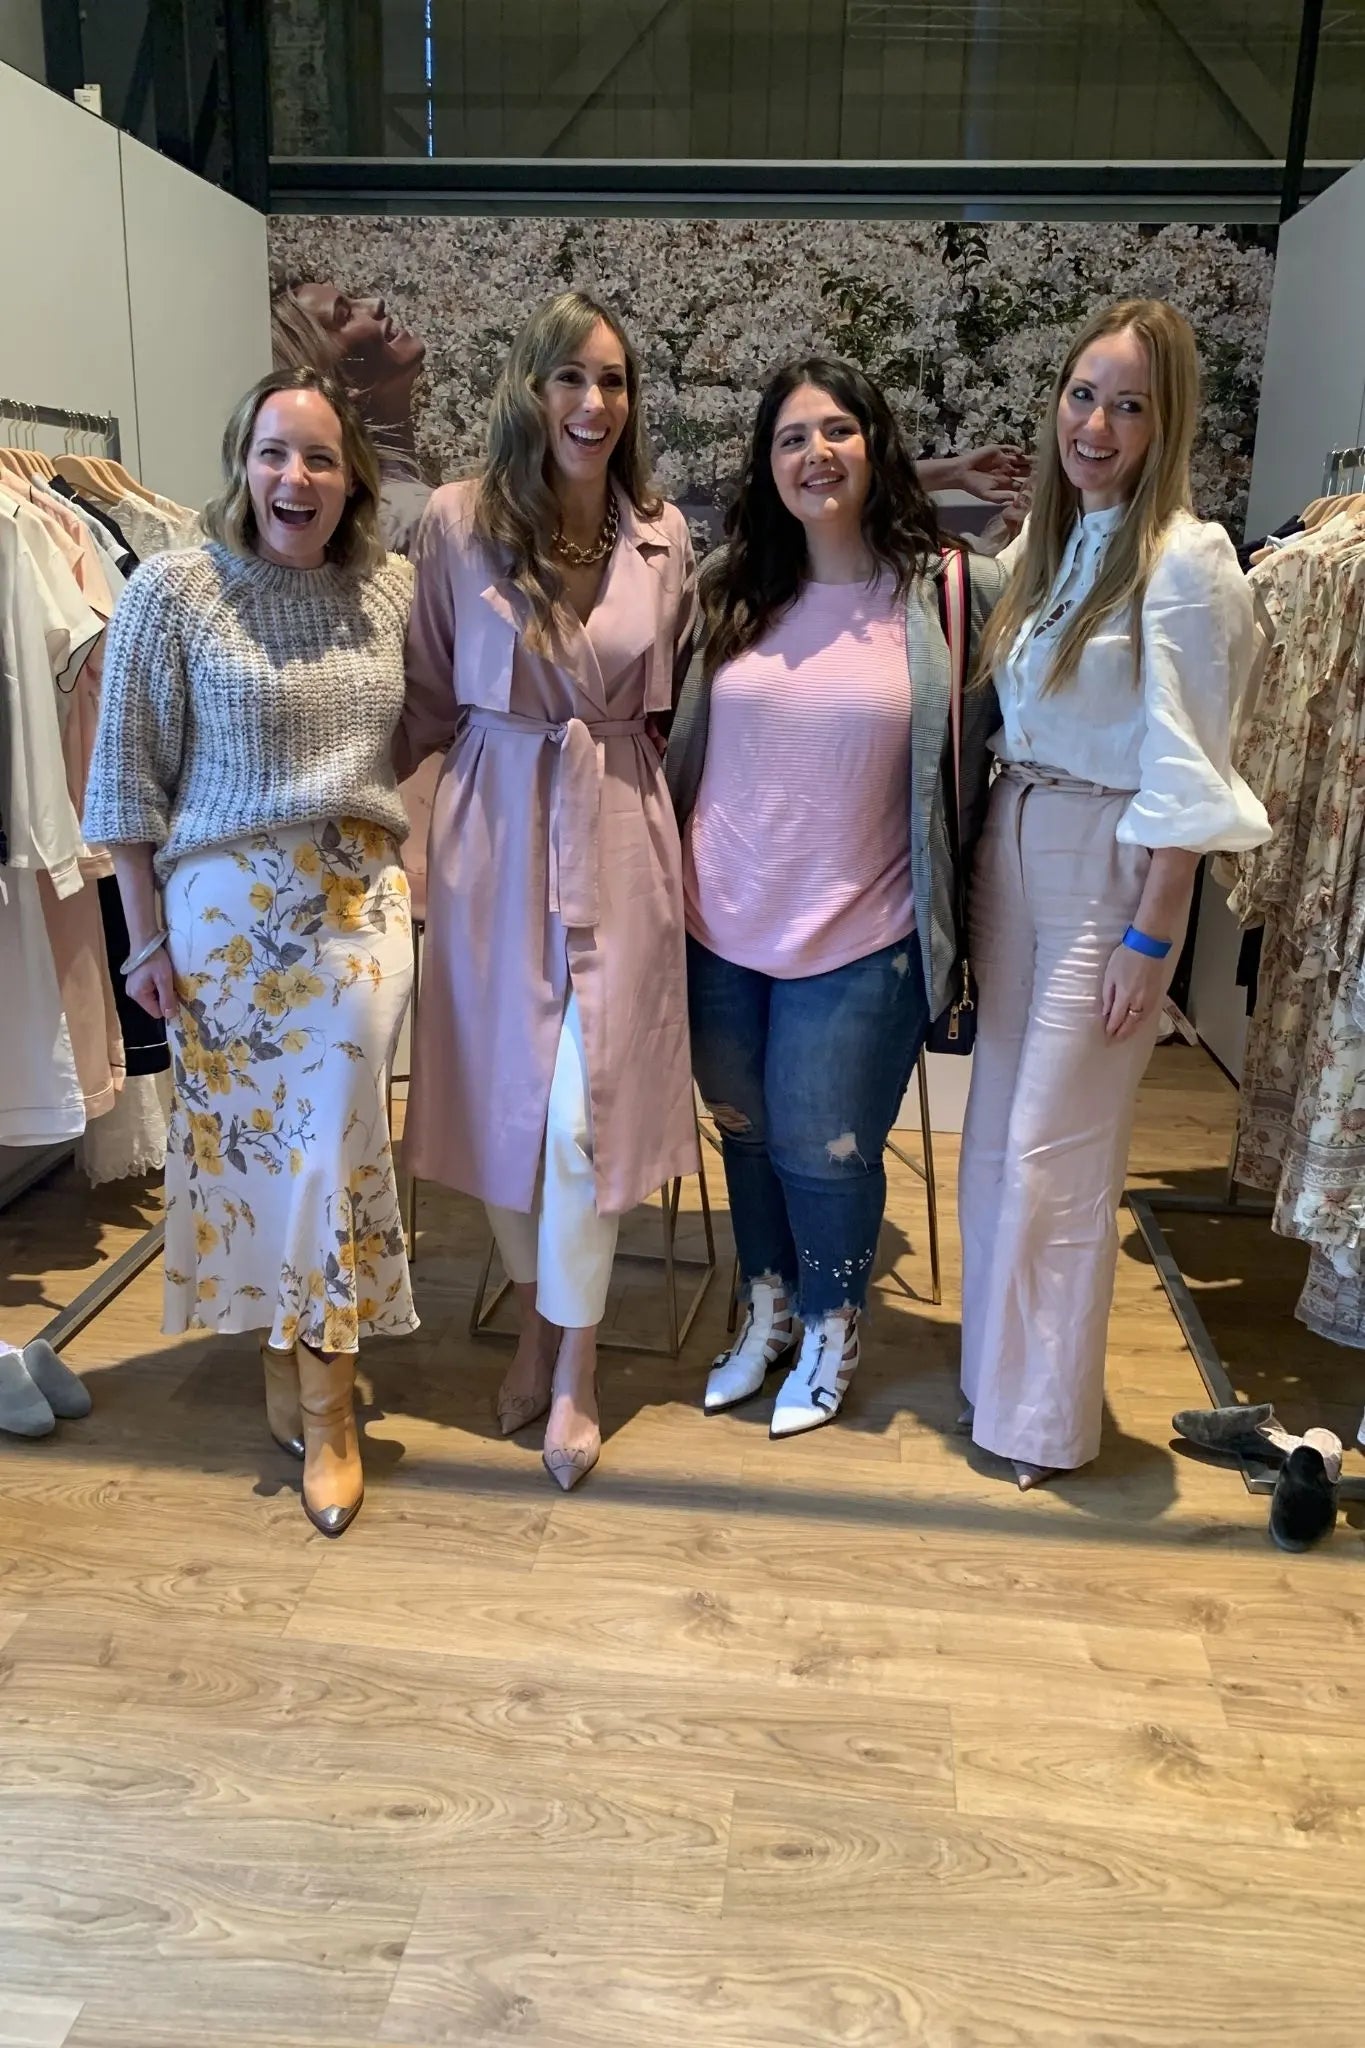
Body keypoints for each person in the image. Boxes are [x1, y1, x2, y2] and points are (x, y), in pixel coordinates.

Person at [83, 366, 418, 1537]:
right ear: (242, 464)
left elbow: (435, 717)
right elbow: (124, 781)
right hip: (223, 915)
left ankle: (330, 1412)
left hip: (358, 904)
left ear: (351, 478)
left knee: (331, 1142)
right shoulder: (174, 589)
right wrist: (141, 940)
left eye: (321, 457)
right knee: (260, 1159)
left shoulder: (390, 588)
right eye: (275, 452)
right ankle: (291, 1352)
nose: (297, 476)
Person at [958, 298, 1271, 1489]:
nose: (1095, 425)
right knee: (998, 1129)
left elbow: (1191, 763)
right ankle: (996, 1379)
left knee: (1058, 1143)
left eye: (1128, 406)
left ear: (1165, 422)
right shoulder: (1054, 544)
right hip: (1016, 837)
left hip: (1107, 856)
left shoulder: (1185, 560)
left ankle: (1042, 1421)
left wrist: (1154, 936)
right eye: (1082, 395)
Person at [667, 357, 1010, 1436]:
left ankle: (830, 1321)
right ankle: (766, 1306)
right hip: (716, 923)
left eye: (838, 432)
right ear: (766, 465)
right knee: (746, 1133)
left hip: (865, 931)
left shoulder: (945, 593)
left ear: (875, 446)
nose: (815, 454)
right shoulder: (726, 589)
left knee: (826, 1150)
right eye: (791, 438)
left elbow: (990, 751)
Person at [398, 290, 698, 1490]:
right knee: (499, 1104)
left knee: (586, 1110)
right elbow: (424, 693)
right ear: (531, 388)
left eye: (613, 380)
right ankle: (535, 1318)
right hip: (491, 825)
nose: (593, 402)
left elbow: (678, 709)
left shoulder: (663, 533)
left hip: (619, 824)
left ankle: (577, 1362)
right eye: (570, 377)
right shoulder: (456, 521)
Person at [272, 279, 431, 556]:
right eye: (345, 315)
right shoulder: (411, 518)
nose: (375, 304)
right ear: (337, 379)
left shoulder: (397, 508)